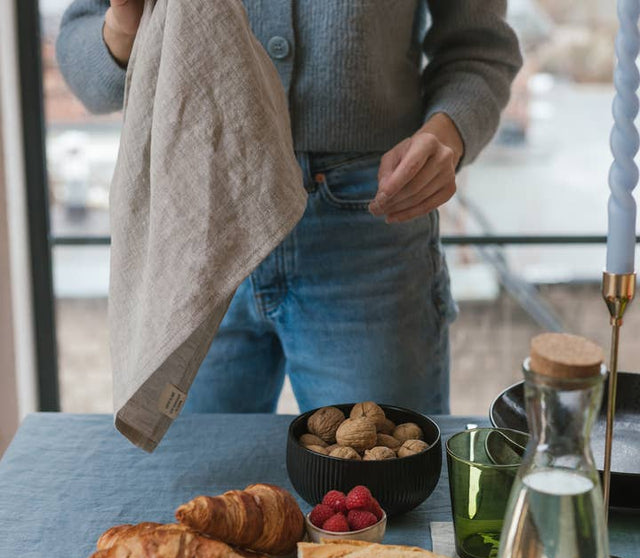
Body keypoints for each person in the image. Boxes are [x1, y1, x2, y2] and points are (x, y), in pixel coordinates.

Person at [56, 0, 522, 415]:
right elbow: (85, 69)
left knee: (384, 492)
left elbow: (479, 49)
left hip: (369, 224)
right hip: (196, 223)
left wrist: (448, 134)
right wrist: (123, 22)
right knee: (194, 495)